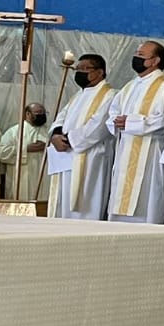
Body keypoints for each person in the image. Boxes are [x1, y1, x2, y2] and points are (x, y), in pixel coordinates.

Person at [106, 41, 164, 224]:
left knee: (147, 197)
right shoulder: (130, 86)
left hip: (150, 150)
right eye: (137, 53)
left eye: (142, 55)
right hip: (126, 148)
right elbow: (114, 111)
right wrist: (117, 121)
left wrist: (132, 123)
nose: (136, 58)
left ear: (155, 61)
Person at [47, 54, 115, 221]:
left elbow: (98, 126)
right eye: (78, 69)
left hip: (91, 157)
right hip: (66, 156)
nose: (79, 72)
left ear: (100, 72)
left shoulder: (110, 95)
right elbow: (61, 117)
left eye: (85, 69)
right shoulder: (78, 95)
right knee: (64, 203)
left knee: (86, 204)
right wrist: (55, 136)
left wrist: (69, 140)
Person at [0, 102, 50, 204]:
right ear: (28, 114)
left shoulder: (49, 132)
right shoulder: (14, 131)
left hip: (44, 177)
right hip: (22, 177)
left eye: (43, 113)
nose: (41, 115)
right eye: (38, 112)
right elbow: (2, 153)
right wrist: (26, 149)